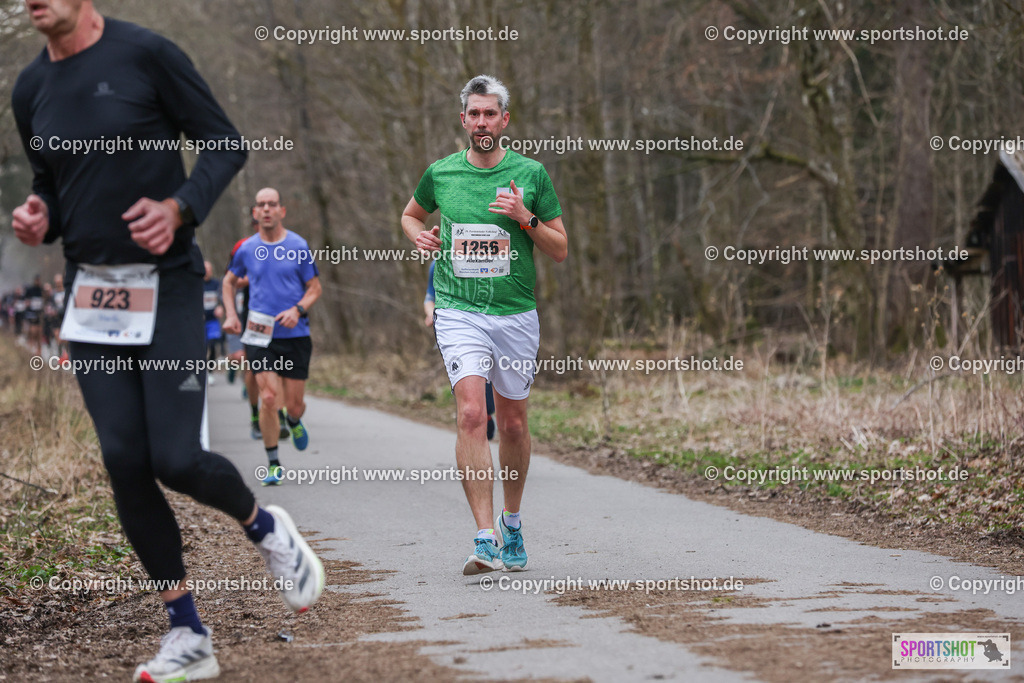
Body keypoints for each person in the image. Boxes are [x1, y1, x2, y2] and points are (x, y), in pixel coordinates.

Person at [10, 2, 323, 680]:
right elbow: (51, 190)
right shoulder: (30, 89)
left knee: (175, 455)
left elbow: (224, 142)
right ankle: (187, 631)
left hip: (170, 285)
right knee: (124, 458)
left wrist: (179, 207)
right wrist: (40, 216)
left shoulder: (146, 54)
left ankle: (269, 532)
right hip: (92, 295)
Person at [401, 75, 567, 575]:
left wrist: (525, 217)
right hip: (457, 310)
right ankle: (484, 534)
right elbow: (409, 215)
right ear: (463, 120)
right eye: (473, 114)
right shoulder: (442, 173)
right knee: (473, 414)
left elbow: (559, 250)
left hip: (515, 312)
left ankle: (511, 522)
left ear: (504, 120)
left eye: (489, 114)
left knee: (513, 421)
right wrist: (420, 237)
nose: (481, 123)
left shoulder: (531, 175)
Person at [223, 188, 321, 486]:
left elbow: (315, 288)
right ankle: (273, 463)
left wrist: (297, 309)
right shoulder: (246, 249)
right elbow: (228, 282)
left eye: (272, 205)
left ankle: (292, 421)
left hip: (294, 333)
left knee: (293, 405)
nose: (266, 209)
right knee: (268, 397)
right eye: (261, 205)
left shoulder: (298, 245)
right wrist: (230, 314)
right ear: (255, 213)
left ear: (282, 211)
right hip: (258, 334)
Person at [425, 260, 496, 440]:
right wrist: (432, 314)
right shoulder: (438, 264)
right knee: (470, 402)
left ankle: (486, 415)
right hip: (458, 332)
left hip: (495, 329)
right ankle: (471, 421)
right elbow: (429, 298)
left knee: (488, 388)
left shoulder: (492, 257)